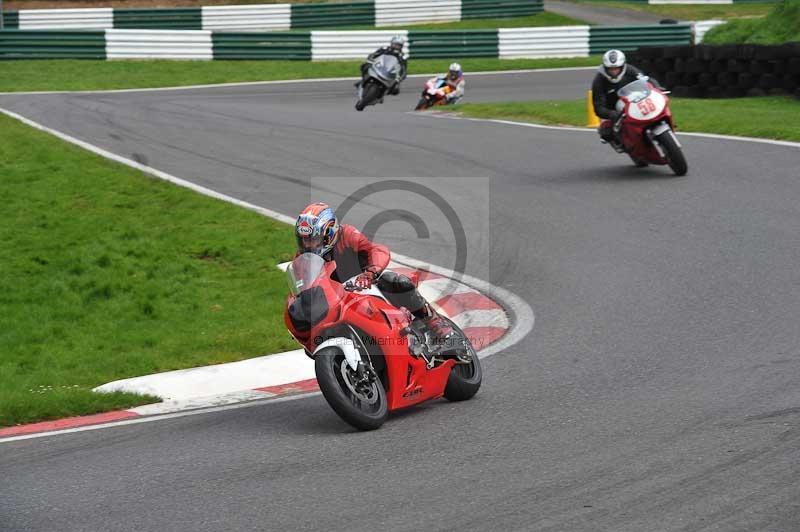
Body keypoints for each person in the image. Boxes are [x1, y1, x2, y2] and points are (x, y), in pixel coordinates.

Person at [293, 202, 453, 341]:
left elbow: (377, 250)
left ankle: (433, 320)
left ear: (329, 234)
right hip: (339, 301)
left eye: (312, 239)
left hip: (368, 283)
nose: (307, 245)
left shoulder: (347, 235)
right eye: (303, 240)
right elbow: (303, 289)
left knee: (396, 281)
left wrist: (370, 273)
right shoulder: (303, 259)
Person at [591, 49, 664, 149]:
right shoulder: (599, 81)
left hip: (632, 99)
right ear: (605, 67)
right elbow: (598, 106)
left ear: (622, 66)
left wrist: (656, 87)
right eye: (610, 69)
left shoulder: (630, 70)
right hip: (611, 107)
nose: (613, 71)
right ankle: (623, 142)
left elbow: (645, 79)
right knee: (606, 134)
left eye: (617, 68)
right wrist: (610, 114)